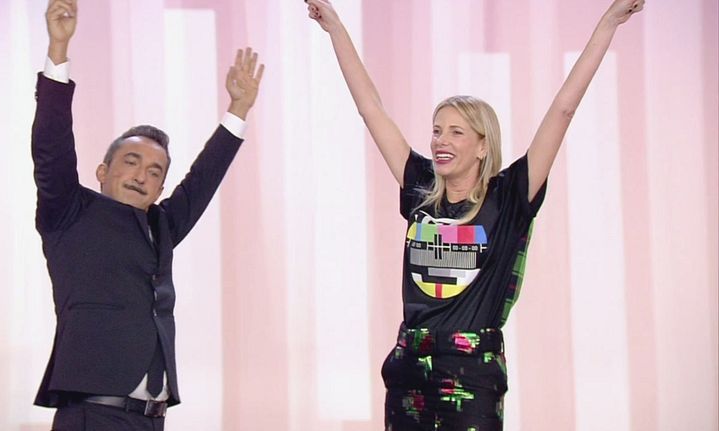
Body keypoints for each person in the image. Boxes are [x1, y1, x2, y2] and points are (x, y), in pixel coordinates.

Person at [305, 0, 643, 429]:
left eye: (456, 132)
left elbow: (563, 109)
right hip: (409, 374)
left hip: (471, 379)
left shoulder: (510, 196)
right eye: (436, 130)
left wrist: (609, 23)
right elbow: (371, 109)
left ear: (483, 145)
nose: (440, 141)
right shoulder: (420, 188)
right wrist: (336, 28)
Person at [32, 0, 264, 429]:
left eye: (155, 172)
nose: (142, 175)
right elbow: (51, 144)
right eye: (131, 162)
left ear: (159, 190)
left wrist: (238, 110)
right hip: (93, 414)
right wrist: (58, 50)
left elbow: (201, 181)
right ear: (103, 171)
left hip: (150, 419)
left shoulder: (161, 226)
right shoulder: (69, 211)